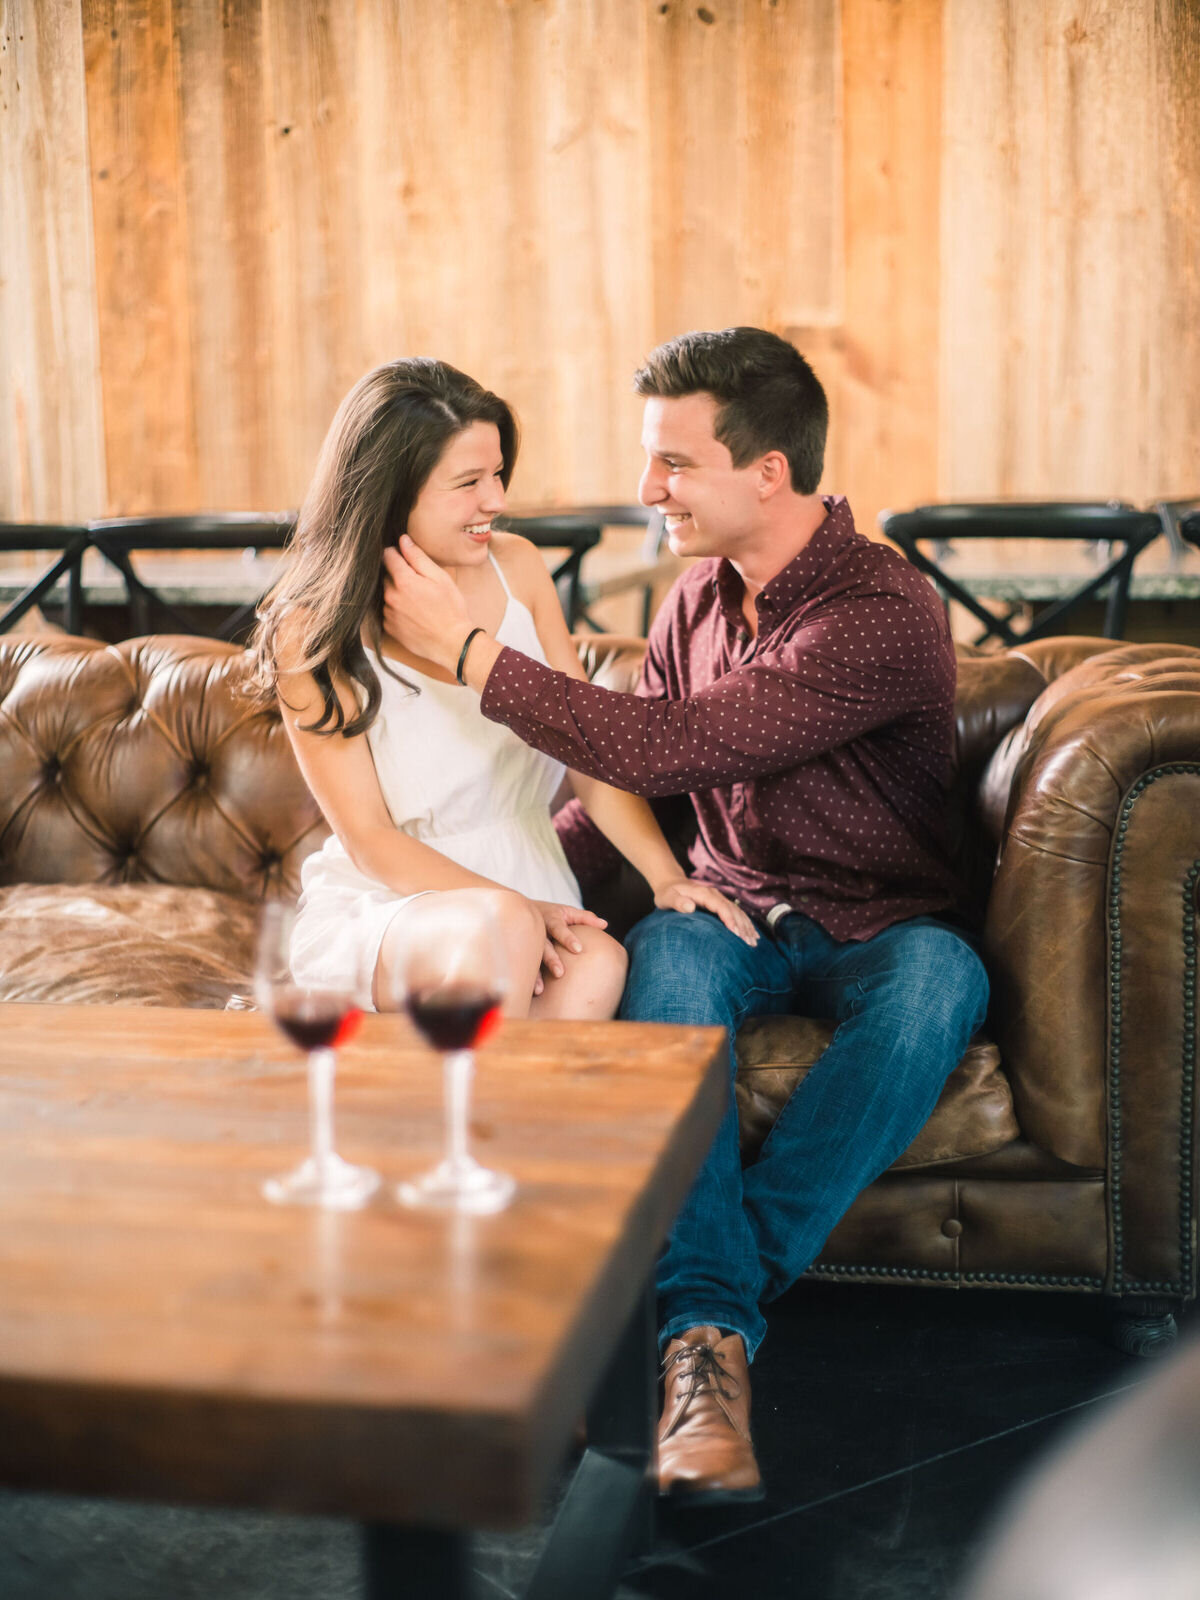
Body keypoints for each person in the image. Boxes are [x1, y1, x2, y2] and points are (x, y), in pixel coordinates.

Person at [379, 328, 990, 1503]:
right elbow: (636, 789)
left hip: (882, 924)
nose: (646, 489)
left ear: (769, 470)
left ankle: (697, 1316)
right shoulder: (694, 598)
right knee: (663, 953)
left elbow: (664, 741)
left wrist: (466, 655)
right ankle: (703, 1335)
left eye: (675, 462)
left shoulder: (878, 609)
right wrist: (527, 900)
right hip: (733, 906)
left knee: (943, 983)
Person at [248, 357, 753, 1022]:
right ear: (390, 493)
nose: (496, 501)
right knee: (499, 930)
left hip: (525, 880)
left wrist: (666, 876)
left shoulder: (519, 570)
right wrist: (512, 910)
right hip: (394, 903)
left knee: (600, 964)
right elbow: (369, 838)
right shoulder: (312, 629)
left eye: (496, 475)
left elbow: (587, 752)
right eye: (467, 482)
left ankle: (477, 1119)